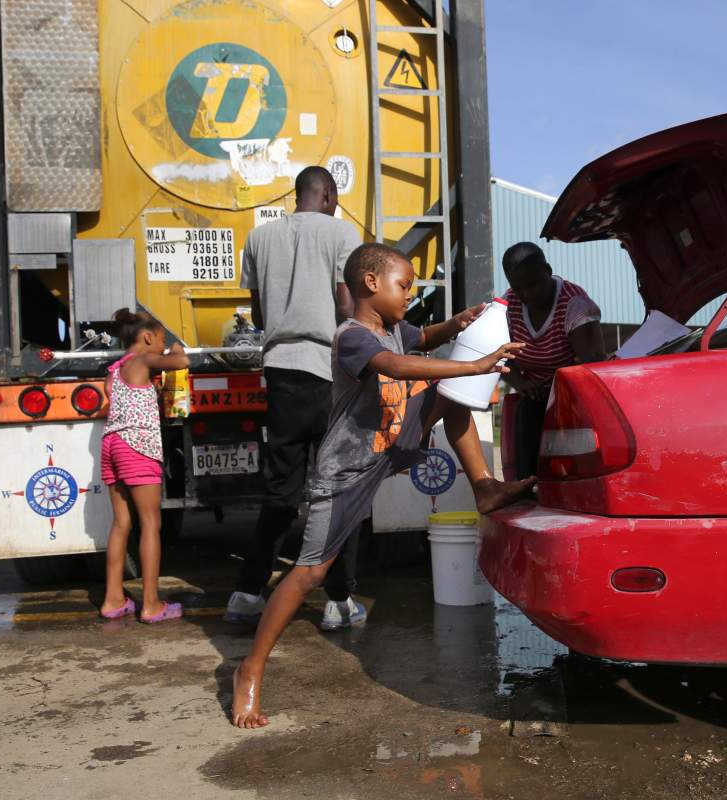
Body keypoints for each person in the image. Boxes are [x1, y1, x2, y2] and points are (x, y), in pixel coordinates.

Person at [230, 243, 535, 728]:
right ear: (371, 284)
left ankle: (484, 487)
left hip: (389, 443)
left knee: (450, 394)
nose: (410, 295)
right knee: (309, 573)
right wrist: (474, 366)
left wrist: (456, 326)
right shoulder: (352, 337)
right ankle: (250, 670)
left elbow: (424, 338)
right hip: (347, 471)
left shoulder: (394, 329)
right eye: (405, 285)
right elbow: (395, 367)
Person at [225, 165, 366, 631]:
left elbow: (261, 311)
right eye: (336, 195)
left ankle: (247, 593)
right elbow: (346, 306)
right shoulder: (342, 234)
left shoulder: (259, 238)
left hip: (280, 373)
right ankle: (339, 600)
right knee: (337, 488)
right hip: (328, 372)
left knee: (281, 491)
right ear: (326, 194)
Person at [99, 308, 190, 623]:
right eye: (161, 340)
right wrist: (177, 349)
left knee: (120, 524)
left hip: (111, 444)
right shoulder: (143, 361)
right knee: (151, 523)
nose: (163, 347)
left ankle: (113, 599)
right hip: (137, 446)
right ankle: (150, 604)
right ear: (148, 337)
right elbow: (181, 361)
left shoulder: (115, 369)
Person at [500, 242, 605, 479]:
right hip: (534, 397)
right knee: (527, 412)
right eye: (518, 288)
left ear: (547, 270)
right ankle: (527, 488)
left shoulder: (574, 304)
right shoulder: (508, 306)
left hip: (572, 394)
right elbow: (499, 355)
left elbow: (590, 363)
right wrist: (522, 384)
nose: (526, 295)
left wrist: (557, 393)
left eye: (533, 285)